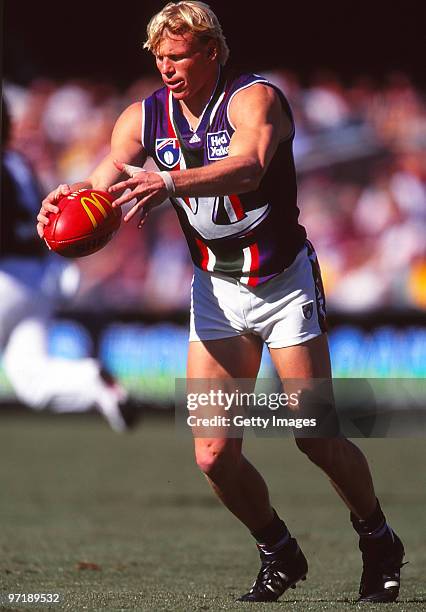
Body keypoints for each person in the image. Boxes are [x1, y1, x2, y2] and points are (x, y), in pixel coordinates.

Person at [37, 1, 405, 602]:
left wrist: (170, 181)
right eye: (159, 57)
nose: (167, 68)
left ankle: (378, 536)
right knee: (212, 456)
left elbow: (251, 167)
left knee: (313, 433)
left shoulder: (255, 99)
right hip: (215, 289)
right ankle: (279, 551)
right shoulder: (143, 118)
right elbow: (100, 182)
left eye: (178, 55)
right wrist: (64, 201)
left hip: (282, 283)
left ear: (212, 51)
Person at [1, 97, 140, 432]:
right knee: (31, 378)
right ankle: (93, 381)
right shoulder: (18, 161)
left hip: (5, 275)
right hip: (37, 277)